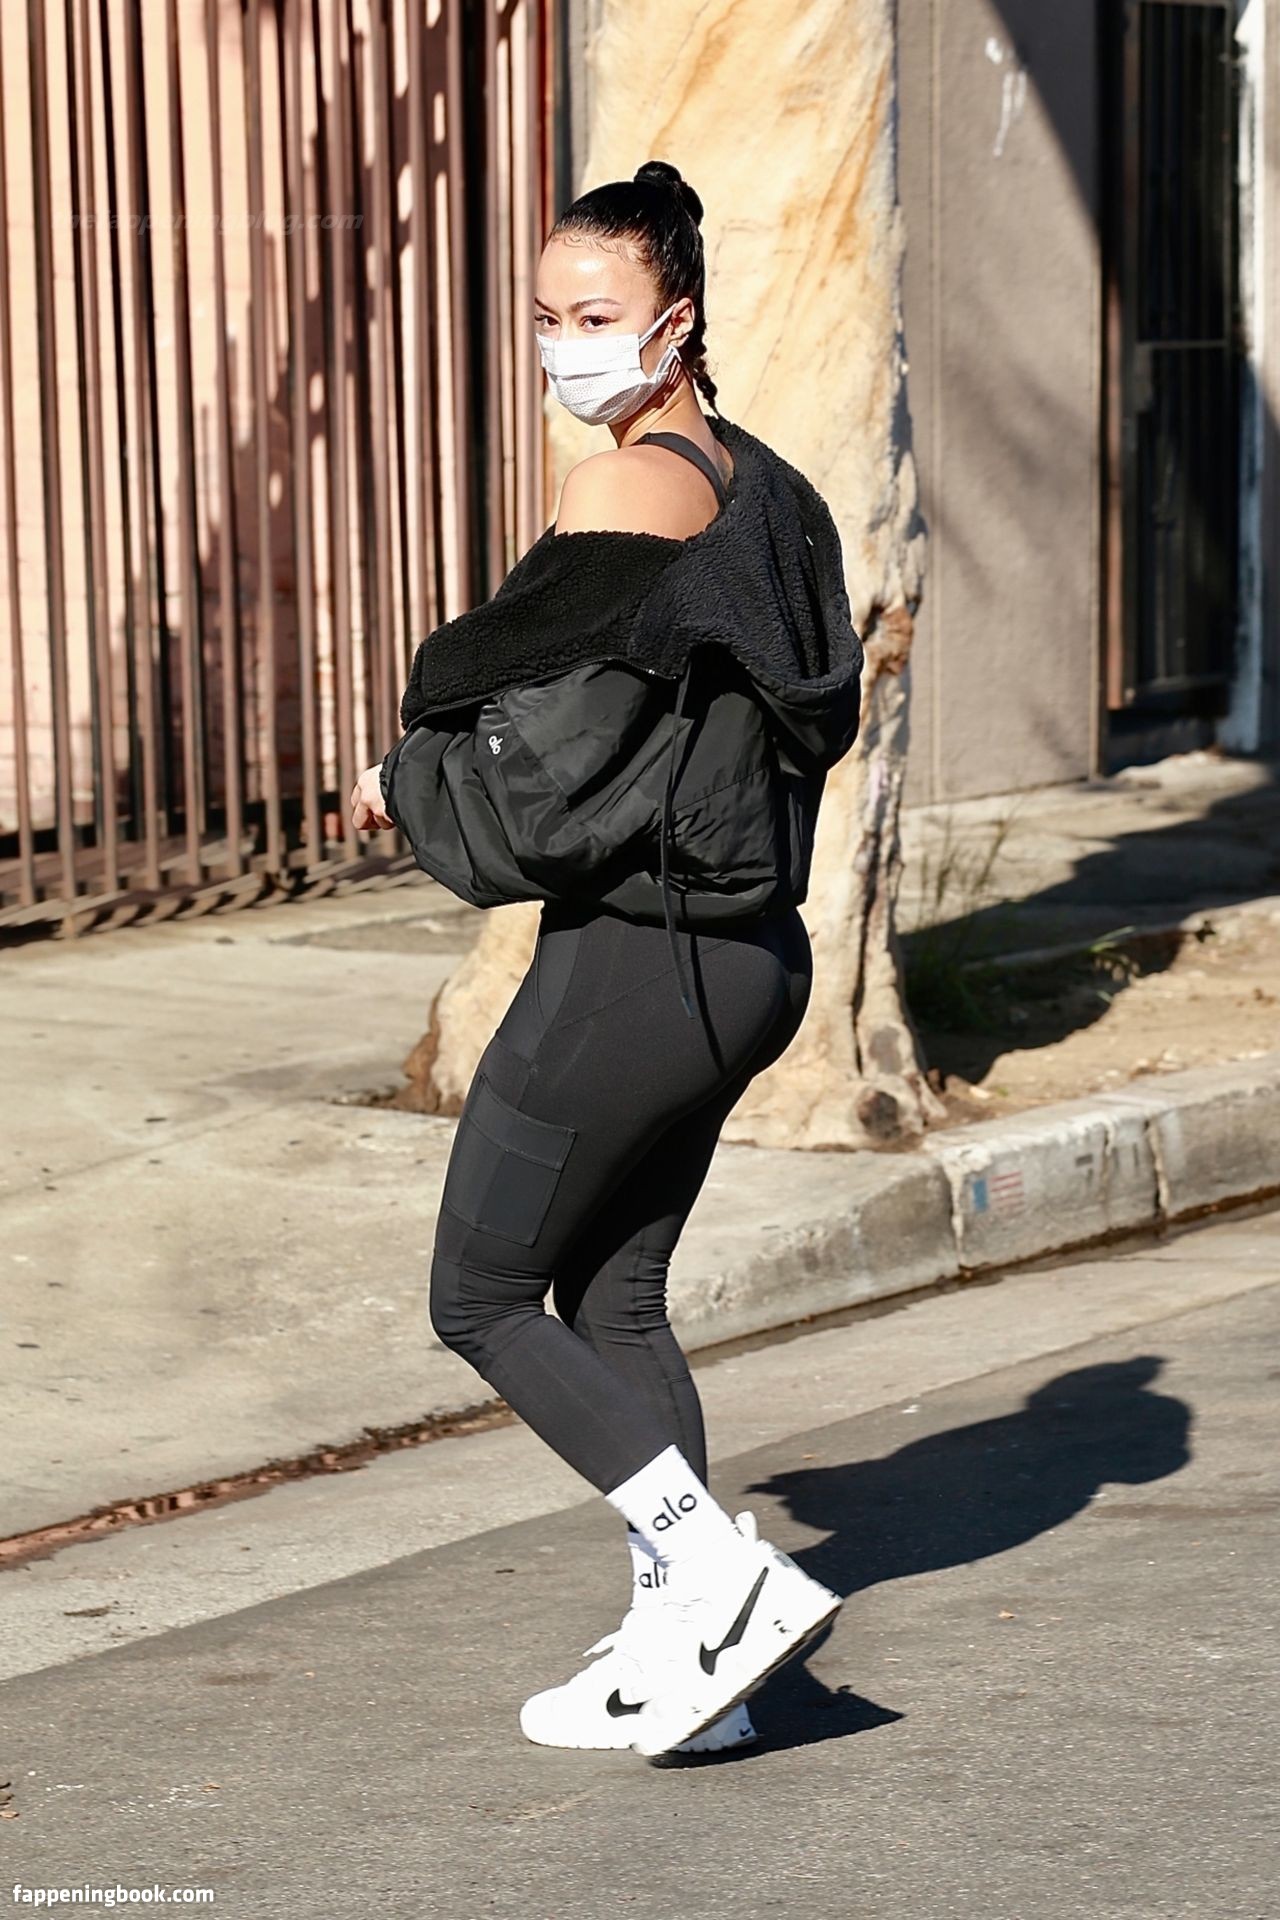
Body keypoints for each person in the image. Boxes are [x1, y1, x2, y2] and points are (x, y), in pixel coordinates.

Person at [349, 159, 863, 1760]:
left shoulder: (627, 487)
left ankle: (719, 1576)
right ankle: (692, 1674)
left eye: (597, 315)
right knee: (617, 1297)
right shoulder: (769, 488)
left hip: (638, 963)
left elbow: (549, 768)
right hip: (748, 958)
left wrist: (404, 785)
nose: (566, 344)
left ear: (675, 320)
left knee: (483, 1294)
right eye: (549, 316)